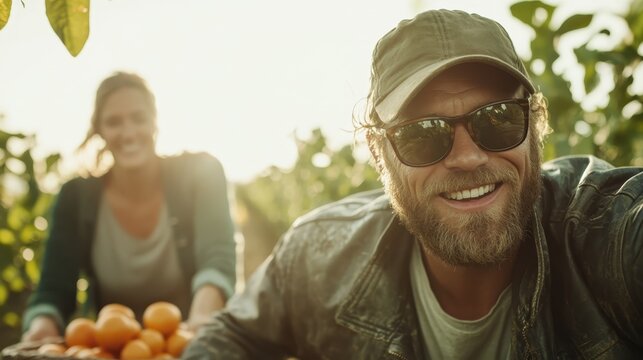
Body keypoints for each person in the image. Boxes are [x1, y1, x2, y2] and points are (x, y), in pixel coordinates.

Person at [183, 9, 643, 359]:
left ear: (536, 122)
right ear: (379, 155)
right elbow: (228, 335)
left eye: (498, 120)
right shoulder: (318, 256)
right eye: (424, 134)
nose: (467, 157)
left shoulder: (610, 236)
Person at [22, 72, 236, 341]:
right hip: (113, 347)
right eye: (114, 122)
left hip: (188, 341)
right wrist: (42, 325)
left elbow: (218, 256)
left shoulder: (200, 174)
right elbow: (54, 287)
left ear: (155, 122)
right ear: (98, 129)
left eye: (139, 118)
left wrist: (203, 319)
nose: (129, 133)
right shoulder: (75, 198)